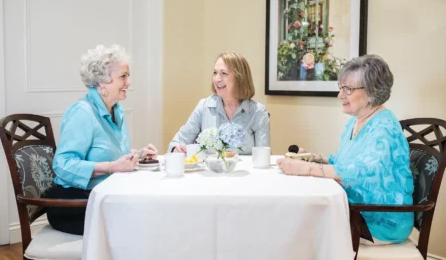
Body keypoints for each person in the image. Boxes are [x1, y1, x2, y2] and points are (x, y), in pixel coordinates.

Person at [277, 55, 414, 244]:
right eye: (341, 88)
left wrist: (307, 169)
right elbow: (345, 163)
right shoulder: (356, 122)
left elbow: (364, 173)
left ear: (372, 91)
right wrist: (313, 159)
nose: (340, 95)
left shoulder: (384, 128)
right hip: (357, 209)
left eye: (348, 89)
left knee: (302, 226)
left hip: (379, 222)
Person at [44, 44, 158, 235]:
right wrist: (112, 167)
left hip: (103, 199)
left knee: (153, 212)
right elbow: (62, 165)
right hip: (75, 204)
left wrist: (138, 154)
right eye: (123, 76)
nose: (129, 82)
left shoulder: (116, 110)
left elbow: (109, 155)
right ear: (102, 83)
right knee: (145, 223)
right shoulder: (82, 113)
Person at [168, 52, 270, 155]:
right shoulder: (204, 106)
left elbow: (263, 158)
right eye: (215, 73)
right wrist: (176, 149)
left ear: (240, 78)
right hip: (210, 170)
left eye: (224, 73)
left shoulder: (258, 112)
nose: (217, 79)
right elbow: (176, 143)